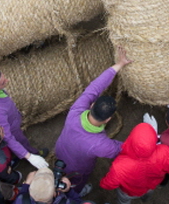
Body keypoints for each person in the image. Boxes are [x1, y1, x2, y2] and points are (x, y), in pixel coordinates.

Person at [54, 47, 133, 193]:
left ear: (91, 105)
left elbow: (94, 88)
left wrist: (119, 65)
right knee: (77, 182)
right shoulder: (99, 144)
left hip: (60, 150)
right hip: (77, 168)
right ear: (108, 119)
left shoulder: (76, 111)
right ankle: (78, 191)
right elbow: (123, 149)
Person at [0, 21, 48, 169]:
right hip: (10, 126)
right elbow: (7, 136)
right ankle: (33, 152)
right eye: (3, 81)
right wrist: (29, 156)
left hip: (9, 117)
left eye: (3, 76)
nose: (7, 79)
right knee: (20, 140)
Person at [100, 119, 169, 204]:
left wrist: (102, 183)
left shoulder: (119, 166)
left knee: (123, 203)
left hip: (129, 192)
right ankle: (145, 198)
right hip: (150, 185)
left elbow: (108, 184)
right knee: (148, 192)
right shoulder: (164, 151)